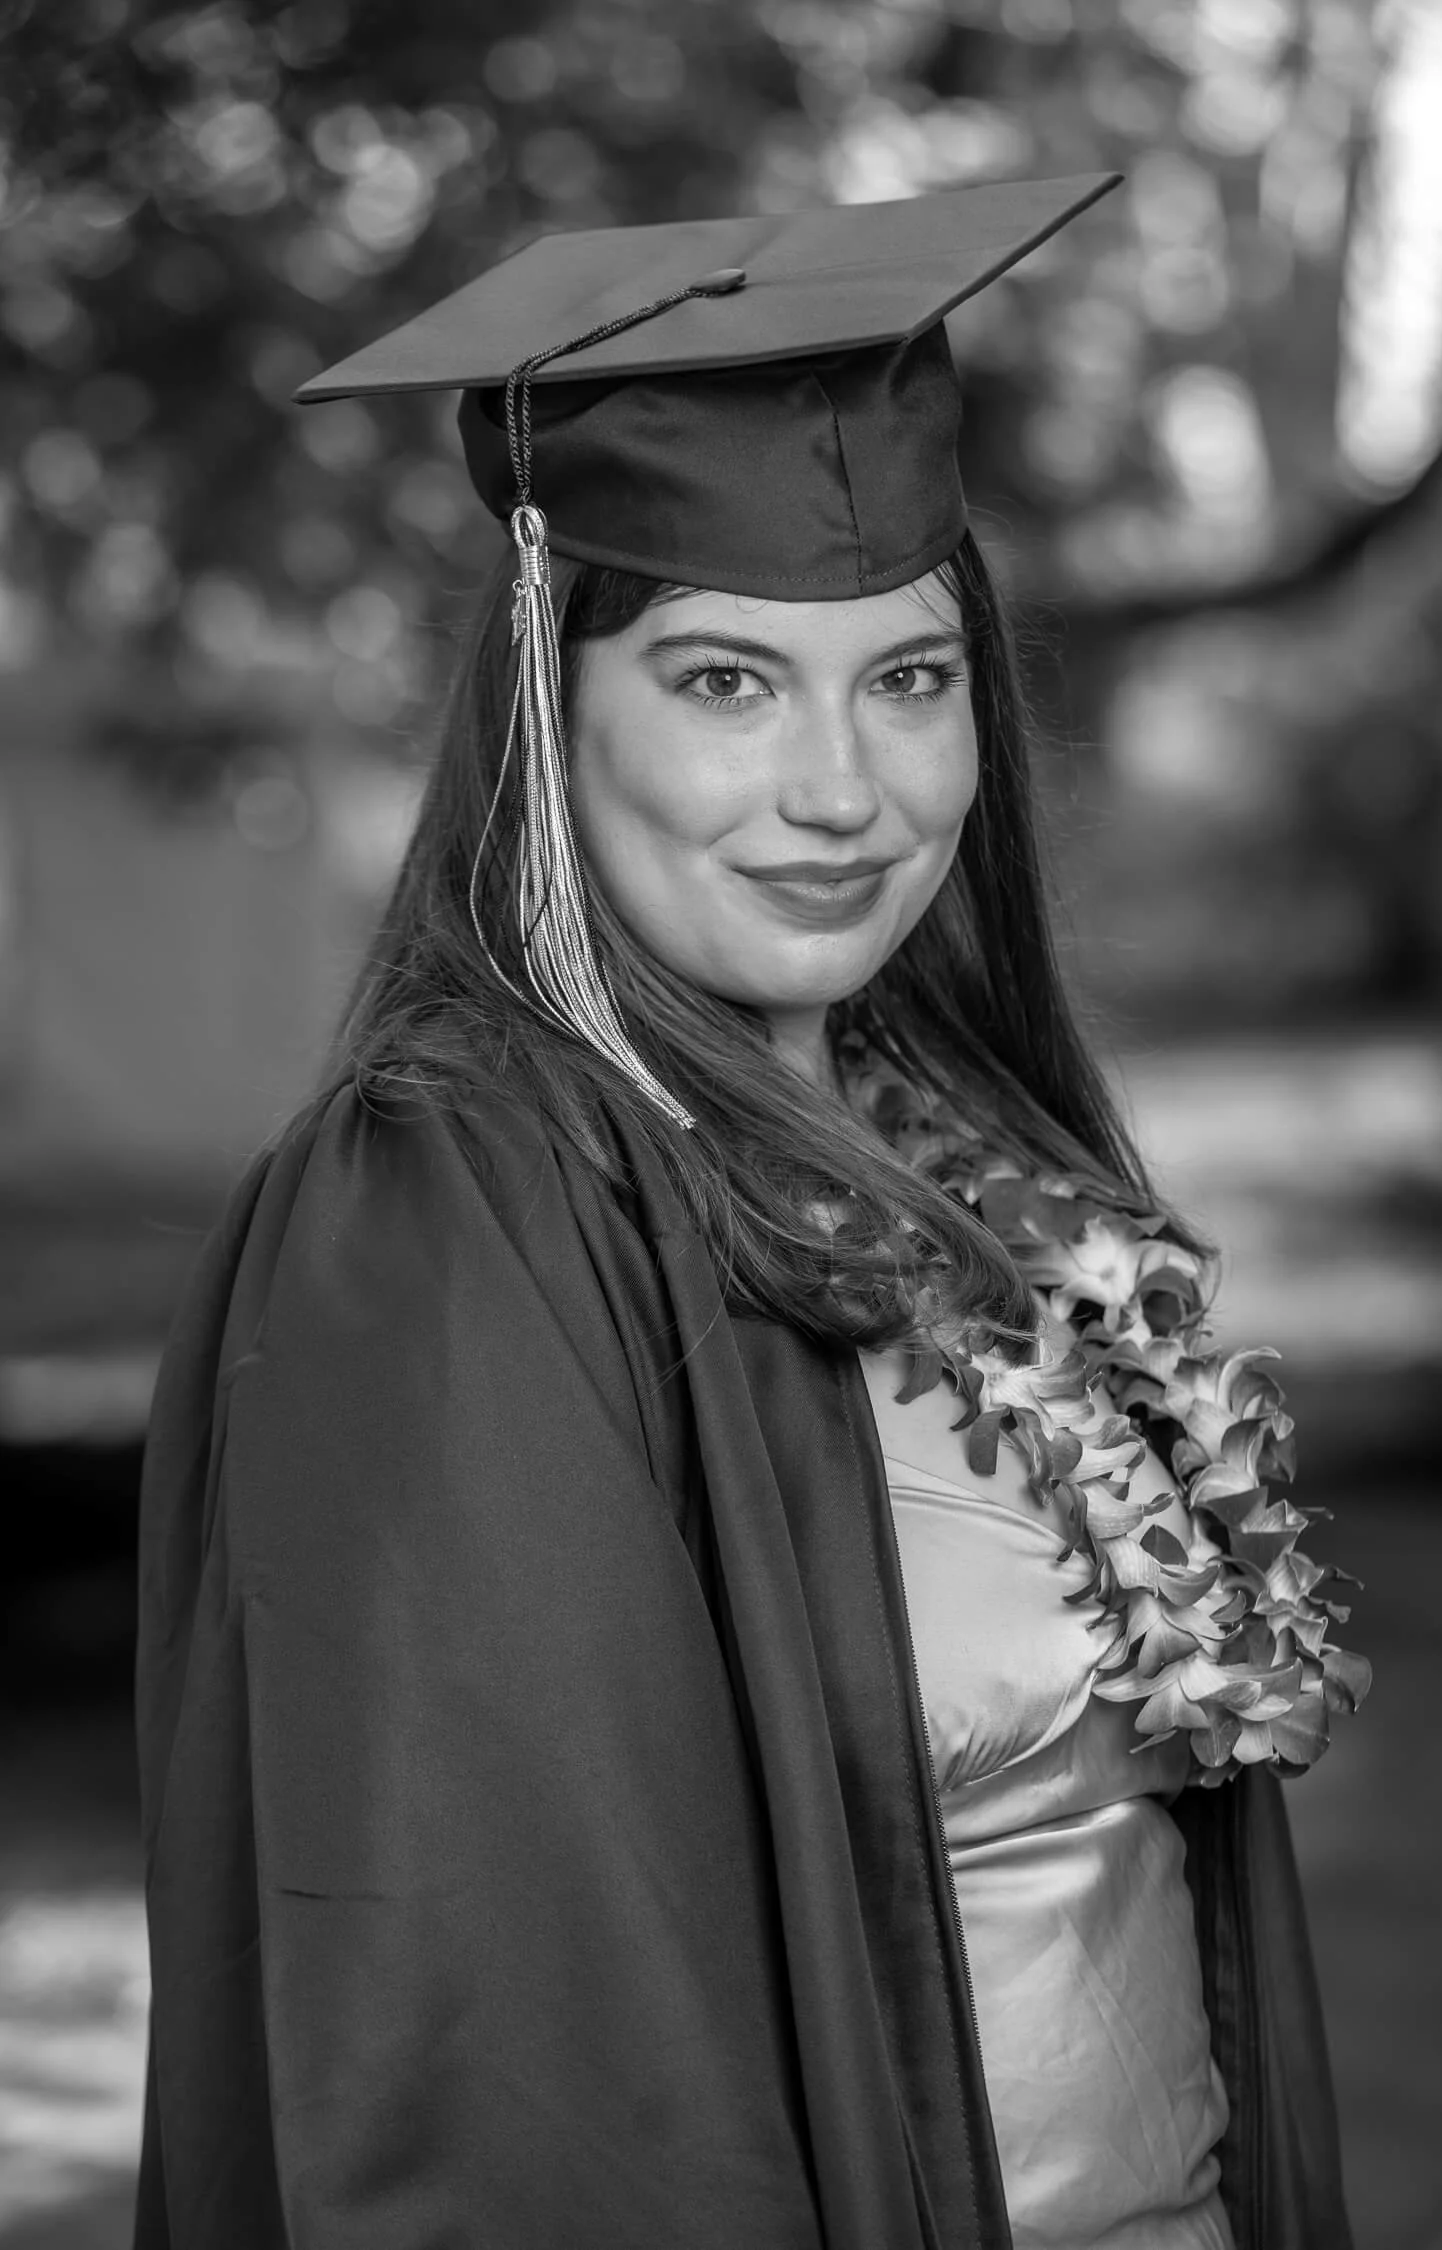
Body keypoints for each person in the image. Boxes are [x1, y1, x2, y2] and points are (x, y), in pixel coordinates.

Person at [133, 177, 1369, 2250]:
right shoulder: (452, 1208)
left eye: (906, 679)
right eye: (724, 683)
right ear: (553, 711)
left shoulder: (964, 1173)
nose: (843, 791)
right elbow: (508, 2059)